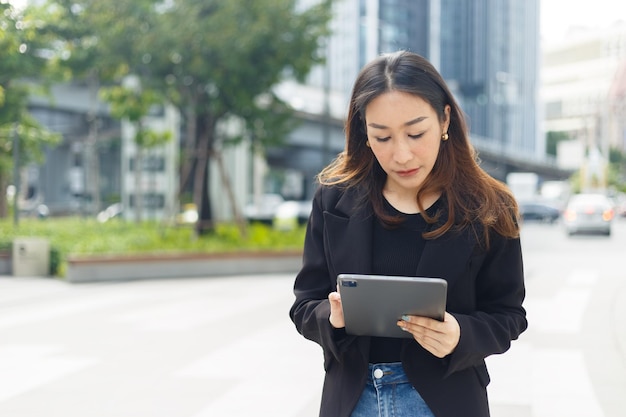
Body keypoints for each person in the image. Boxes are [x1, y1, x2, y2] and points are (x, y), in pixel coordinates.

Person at [289, 50, 527, 417]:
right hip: (352, 400)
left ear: (445, 119)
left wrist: (460, 334)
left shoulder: (489, 207)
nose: (401, 155)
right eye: (382, 138)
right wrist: (332, 316)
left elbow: (508, 314)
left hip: (444, 400)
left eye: (416, 133)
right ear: (364, 134)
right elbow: (304, 304)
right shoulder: (333, 199)